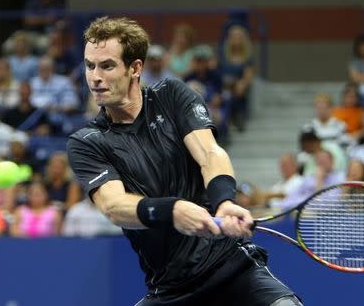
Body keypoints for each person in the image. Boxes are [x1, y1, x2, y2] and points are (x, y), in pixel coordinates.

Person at [67, 17, 302, 306]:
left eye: (107, 65)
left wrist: (224, 201)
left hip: (233, 268)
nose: (95, 77)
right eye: (90, 66)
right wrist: (173, 210)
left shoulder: (172, 96)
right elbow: (114, 206)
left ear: (135, 68)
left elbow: (209, 153)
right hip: (170, 290)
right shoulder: (87, 141)